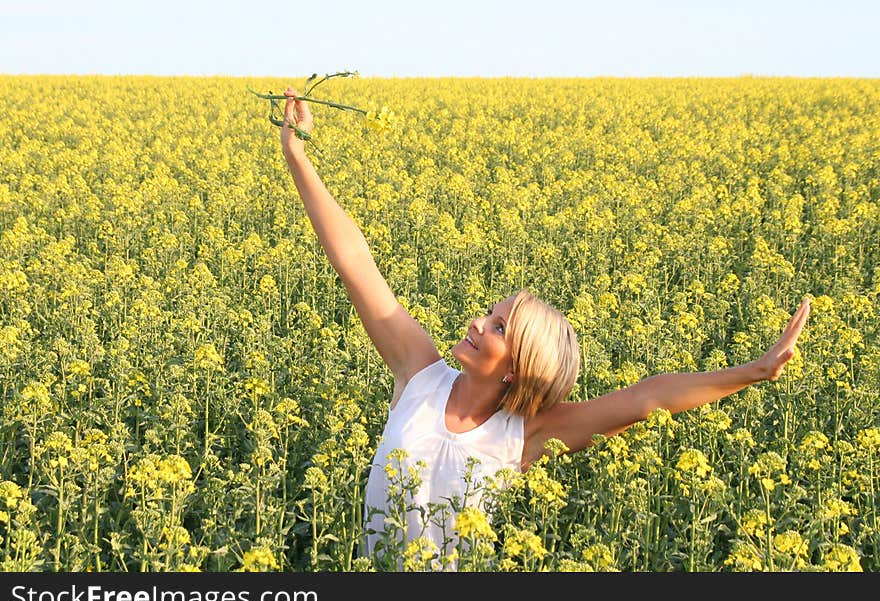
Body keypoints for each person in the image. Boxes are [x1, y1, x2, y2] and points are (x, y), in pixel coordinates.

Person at [277, 87, 812, 569]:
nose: (477, 322)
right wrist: (296, 153)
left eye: (498, 327)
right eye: (489, 313)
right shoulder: (419, 374)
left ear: (519, 368)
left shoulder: (523, 436)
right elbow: (355, 260)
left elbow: (649, 399)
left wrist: (756, 371)